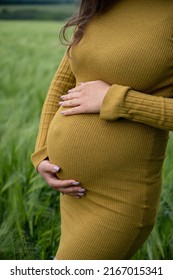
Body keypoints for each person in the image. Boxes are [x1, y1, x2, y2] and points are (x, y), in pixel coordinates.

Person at [31, 0, 173, 260]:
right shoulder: (100, 4)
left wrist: (117, 100)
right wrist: (42, 153)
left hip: (118, 200)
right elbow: (63, 82)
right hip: (74, 193)